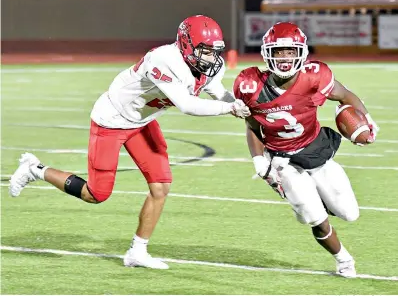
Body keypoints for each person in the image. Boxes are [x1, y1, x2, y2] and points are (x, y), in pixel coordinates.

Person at [9, 15, 250, 270]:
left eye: (214, 52)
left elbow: (219, 93)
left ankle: (137, 251)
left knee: (161, 187)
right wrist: (230, 109)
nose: (211, 58)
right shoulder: (164, 60)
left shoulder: (205, 65)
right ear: (187, 44)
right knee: (96, 194)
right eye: (205, 51)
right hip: (112, 119)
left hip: (141, 122)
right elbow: (188, 105)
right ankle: (35, 169)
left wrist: (244, 104)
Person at [233, 22, 379, 278]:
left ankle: (308, 198)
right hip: (282, 160)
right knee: (313, 216)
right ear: (268, 53)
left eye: (290, 51)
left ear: (301, 52)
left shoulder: (314, 76)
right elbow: (252, 125)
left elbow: (345, 95)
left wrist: (366, 119)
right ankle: (343, 259)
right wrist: (259, 160)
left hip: (314, 149)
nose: (285, 58)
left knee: (350, 214)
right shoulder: (251, 85)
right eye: (279, 52)